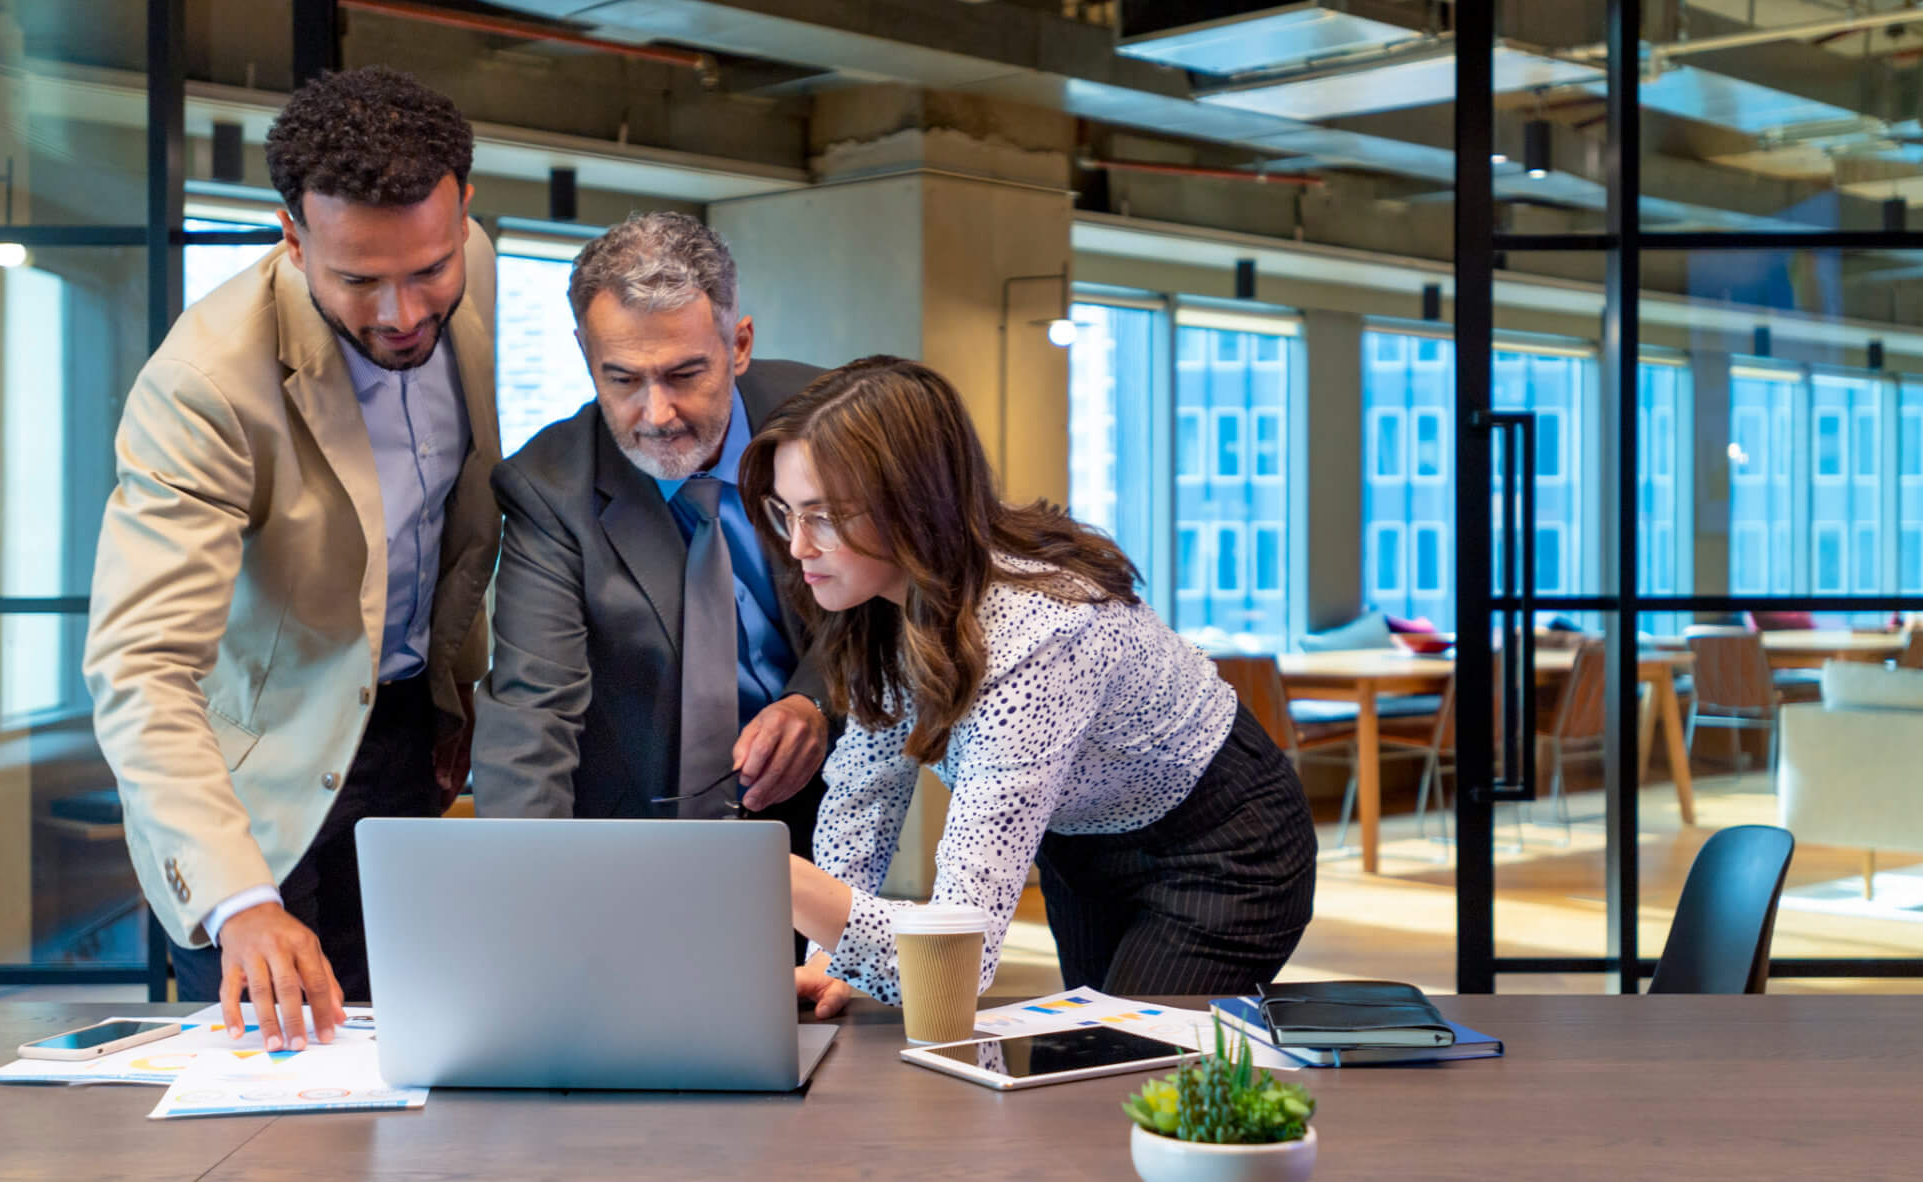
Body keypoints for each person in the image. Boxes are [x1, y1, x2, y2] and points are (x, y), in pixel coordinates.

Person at [85, 67, 498, 1051]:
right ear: (292, 236)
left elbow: (442, 528)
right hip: (250, 779)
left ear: (463, 215)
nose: (402, 312)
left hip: (406, 734)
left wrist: (455, 689)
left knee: (412, 1056)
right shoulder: (203, 385)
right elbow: (141, 666)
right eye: (357, 280)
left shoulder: (469, 260)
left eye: (427, 271)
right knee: (274, 1086)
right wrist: (239, 902)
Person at [736, 356, 1318, 1018]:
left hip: (1222, 843)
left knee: (1132, 1053)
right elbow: (864, 799)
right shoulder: (881, 605)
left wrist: (766, 872)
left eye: (824, 516)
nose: (797, 547)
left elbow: (957, 963)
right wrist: (827, 956)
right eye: (786, 512)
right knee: (1092, 1057)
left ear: (912, 506)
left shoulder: (1035, 639)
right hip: (1083, 844)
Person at [471, 212, 830, 862]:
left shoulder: (833, 419)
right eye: (623, 379)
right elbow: (534, 709)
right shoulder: (548, 486)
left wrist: (816, 701)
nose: (657, 415)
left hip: (823, 813)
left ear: (739, 345)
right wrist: (523, 882)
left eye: (685, 374)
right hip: (631, 827)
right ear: (585, 354)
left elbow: (898, 600)